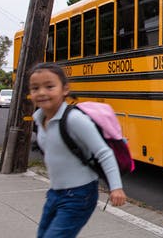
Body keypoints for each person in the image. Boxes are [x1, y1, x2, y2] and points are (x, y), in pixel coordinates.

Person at [29, 62, 127, 238]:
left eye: (49, 86)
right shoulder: (38, 119)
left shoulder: (74, 119)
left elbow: (104, 153)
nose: (42, 92)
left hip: (79, 196)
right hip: (55, 193)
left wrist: (116, 187)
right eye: (35, 88)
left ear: (65, 89)